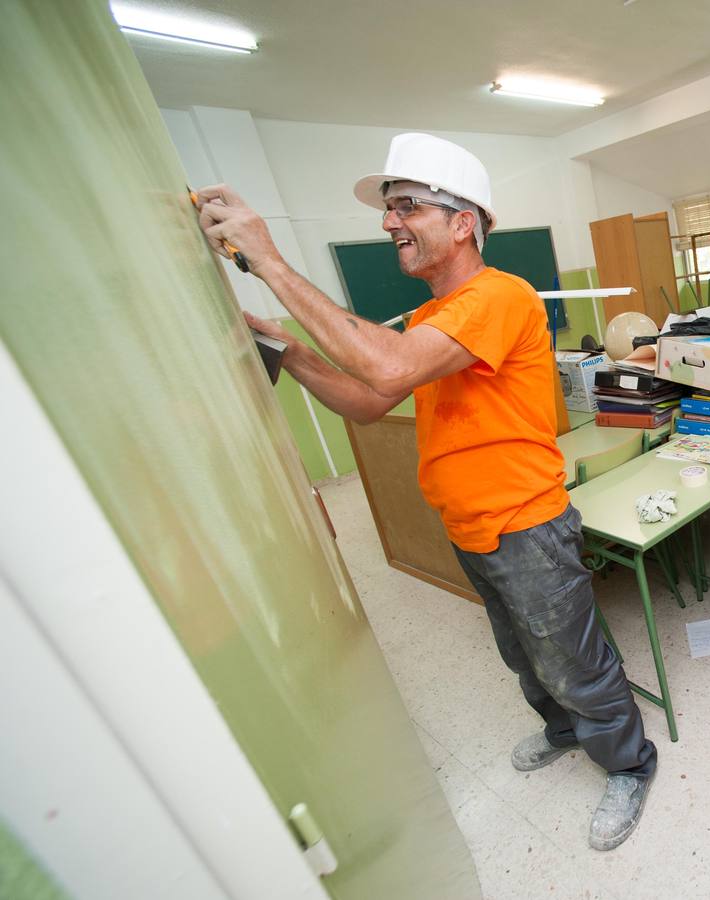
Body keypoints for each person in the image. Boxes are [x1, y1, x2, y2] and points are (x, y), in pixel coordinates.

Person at [193, 132, 656, 851]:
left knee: (571, 656)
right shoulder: (428, 318)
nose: (388, 224)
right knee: (522, 653)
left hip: (526, 522)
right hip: (470, 523)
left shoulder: (500, 295)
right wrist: (286, 350)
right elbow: (370, 400)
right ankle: (564, 730)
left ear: (463, 221)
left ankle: (628, 763)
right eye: (388, 209)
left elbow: (386, 370)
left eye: (406, 206)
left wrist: (271, 263)